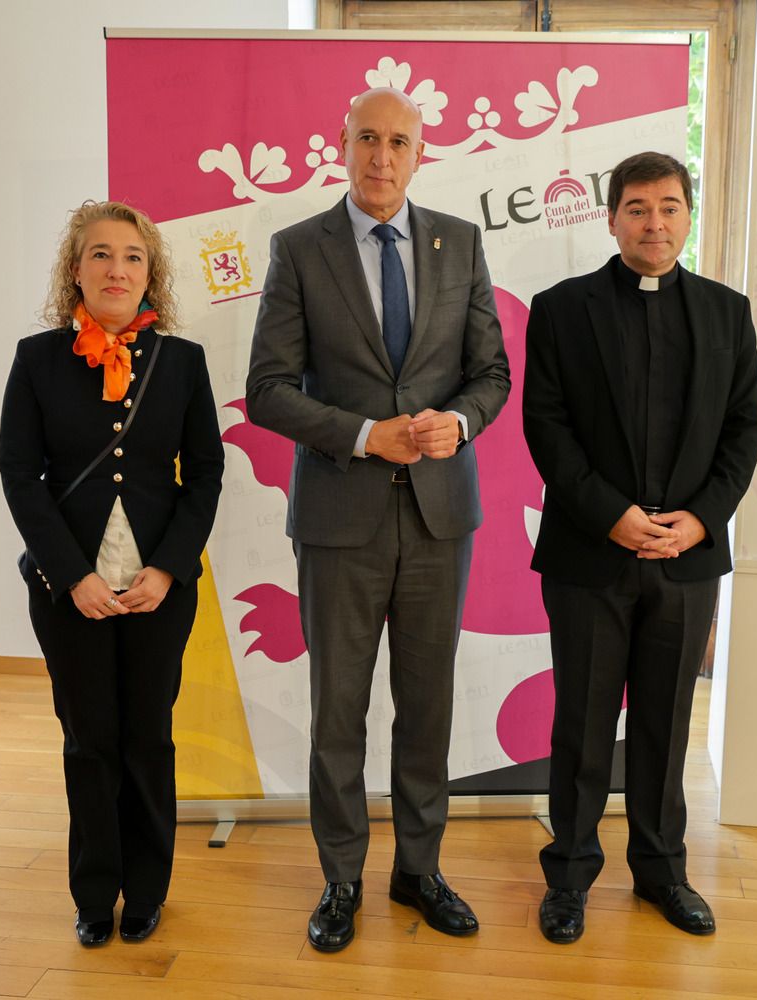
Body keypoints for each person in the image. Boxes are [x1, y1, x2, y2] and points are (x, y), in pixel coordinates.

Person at [246, 87, 510, 952]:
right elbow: (268, 390)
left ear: (420, 150)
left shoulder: (460, 242)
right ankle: (341, 880)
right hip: (338, 518)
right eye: (368, 138)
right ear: (343, 144)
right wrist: (365, 436)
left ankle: (420, 870)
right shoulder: (297, 249)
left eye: (399, 141)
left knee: (428, 704)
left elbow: (491, 374)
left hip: (440, 517)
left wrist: (457, 423)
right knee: (339, 711)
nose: (382, 157)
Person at [522, 152, 757, 943]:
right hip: (592, 551)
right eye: (637, 208)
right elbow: (546, 428)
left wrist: (703, 518)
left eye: (668, 206)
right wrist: (611, 516)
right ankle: (568, 878)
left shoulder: (729, 313)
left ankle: (663, 872)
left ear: (689, 215)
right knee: (583, 726)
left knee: (666, 727)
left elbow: (746, 426)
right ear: (612, 218)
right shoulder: (560, 309)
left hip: (687, 555)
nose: (653, 222)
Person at [0, 201, 223, 947]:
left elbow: (207, 476)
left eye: (131, 255)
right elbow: (18, 474)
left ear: (149, 272)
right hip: (71, 591)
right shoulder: (36, 360)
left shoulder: (182, 362)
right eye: (100, 254)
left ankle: (148, 890)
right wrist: (71, 576)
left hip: (160, 587)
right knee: (89, 740)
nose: (116, 268)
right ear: (76, 269)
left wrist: (168, 567)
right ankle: (95, 893)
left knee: (148, 739)